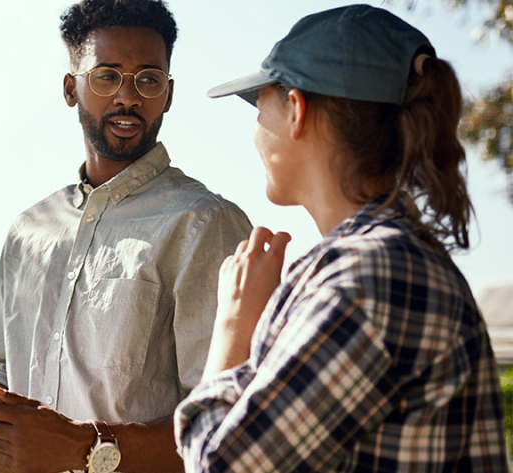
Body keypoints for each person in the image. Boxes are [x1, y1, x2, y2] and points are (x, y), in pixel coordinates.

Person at [0, 1, 253, 472]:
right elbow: (4, 378)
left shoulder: (205, 224)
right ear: (71, 88)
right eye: (107, 76)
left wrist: (89, 448)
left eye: (148, 79)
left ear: (169, 94)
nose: (128, 97)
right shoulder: (29, 230)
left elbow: (231, 422)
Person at [174, 5, 508, 472]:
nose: (254, 129)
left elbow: (219, 466)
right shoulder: (380, 264)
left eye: (259, 103)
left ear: (296, 109)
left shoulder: (368, 279)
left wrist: (234, 327)